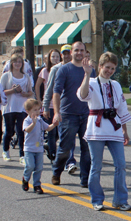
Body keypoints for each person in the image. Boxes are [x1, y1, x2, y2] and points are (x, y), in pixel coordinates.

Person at [77, 52, 131, 211]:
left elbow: (121, 108)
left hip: (114, 128)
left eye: (113, 68)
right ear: (100, 66)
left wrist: (125, 131)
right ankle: (97, 199)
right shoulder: (92, 82)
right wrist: (87, 75)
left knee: (120, 165)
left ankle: (120, 200)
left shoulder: (116, 85)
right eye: (107, 67)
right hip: (97, 129)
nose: (109, 71)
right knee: (96, 166)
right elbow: (83, 95)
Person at [51, 41, 95, 187]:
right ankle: (56, 172)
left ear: (85, 52)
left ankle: (85, 179)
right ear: (71, 53)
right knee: (65, 148)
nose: (79, 53)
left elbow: (95, 91)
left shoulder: (90, 70)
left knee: (87, 149)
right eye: (76, 50)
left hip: (86, 115)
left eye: (82, 50)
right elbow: (56, 92)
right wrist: (57, 112)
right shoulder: (64, 70)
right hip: (68, 114)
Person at [41, 44, 78, 169]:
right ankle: (59, 161)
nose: (67, 55)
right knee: (61, 137)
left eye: (69, 53)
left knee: (69, 137)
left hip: (73, 107)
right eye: (65, 53)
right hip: (58, 108)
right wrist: (45, 106)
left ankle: (69, 162)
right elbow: (49, 88)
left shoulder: (76, 68)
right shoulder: (56, 69)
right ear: (62, 55)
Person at [0, 54, 34, 165]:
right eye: (15, 62)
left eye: (19, 62)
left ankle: (22, 155)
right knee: (9, 131)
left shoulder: (26, 77)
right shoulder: (6, 76)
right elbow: (1, 91)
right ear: (11, 64)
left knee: (21, 131)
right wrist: (13, 90)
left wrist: (25, 94)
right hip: (9, 107)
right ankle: (5, 150)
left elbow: (30, 92)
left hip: (21, 108)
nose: (17, 64)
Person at [21, 99, 58, 194]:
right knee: (30, 166)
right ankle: (25, 179)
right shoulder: (27, 120)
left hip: (39, 149)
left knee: (39, 168)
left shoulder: (40, 120)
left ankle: (37, 184)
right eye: (34, 110)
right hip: (29, 148)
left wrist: (54, 124)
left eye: (38, 109)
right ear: (28, 111)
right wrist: (33, 123)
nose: (37, 112)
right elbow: (27, 130)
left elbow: (48, 128)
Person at [34, 49, 61, 163]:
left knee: (59, 132)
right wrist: (39, 100)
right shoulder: (45, 71)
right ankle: (53, 154)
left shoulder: (63, 69)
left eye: (57, 56)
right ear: (49, 58)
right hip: (48, 104)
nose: (55, 59)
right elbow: (37, 86)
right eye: (53, 57)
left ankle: (49, 147)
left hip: (60, 105)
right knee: (51, 131)